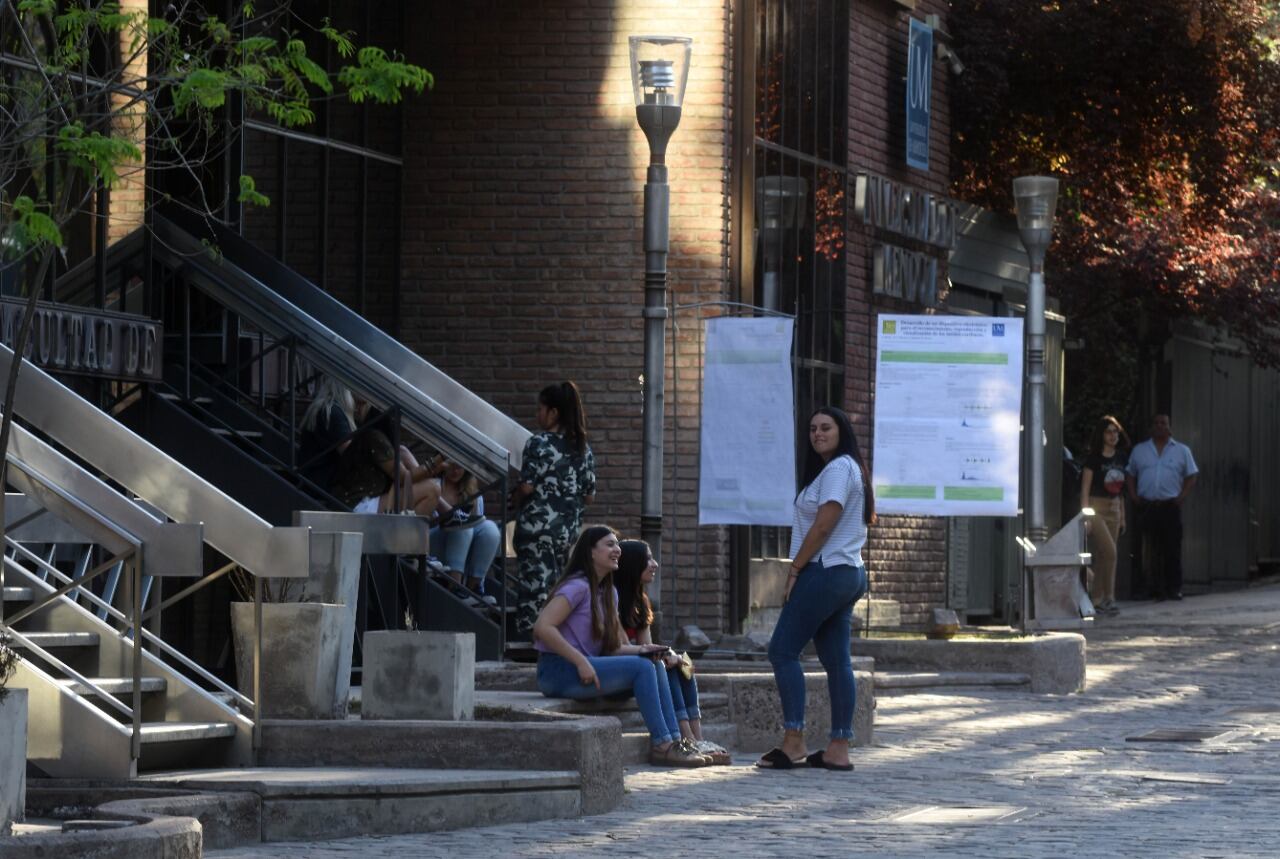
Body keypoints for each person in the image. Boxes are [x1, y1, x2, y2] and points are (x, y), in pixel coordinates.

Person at [532, 526, 711, 767]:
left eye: (617, 544)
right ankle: (662, 745)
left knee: (654, 664)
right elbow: (543, 627)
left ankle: (676, 742)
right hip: (558, 670)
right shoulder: (577, 586)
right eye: (609, 544)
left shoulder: (608, 593)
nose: (617, 549)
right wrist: (581, 661)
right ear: (591, 552)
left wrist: (648, 650)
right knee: (643, 668)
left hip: (590, 667)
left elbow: (614, 648)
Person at [758, 407, 871, 772]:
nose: (818, 433)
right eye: (812, 428)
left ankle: (794, 741)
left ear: (842, 432)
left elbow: (823, 525)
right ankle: (838, 747)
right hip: (849, 572)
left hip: (827, 571)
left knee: (782, 651)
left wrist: (795, 569)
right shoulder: (846, 468)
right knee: (838, 661)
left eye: (826, 427)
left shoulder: (838, 469)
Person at [615, 540, 731, 765]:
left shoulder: (640, 600)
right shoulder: (613, 599)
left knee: (681, 664)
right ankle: (686, 738)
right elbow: (625, 648)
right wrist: (664, 656)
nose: (654, 564)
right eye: (648, 559)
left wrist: (670, 656)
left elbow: (646, 644)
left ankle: (697, 738)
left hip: (643, 665)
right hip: (628, 669)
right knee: (666, 666)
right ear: (632, 564)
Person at [512, 381, 596, 637]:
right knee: (560, 591)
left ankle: (531, 645)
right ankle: (558, 640)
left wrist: (515, 497)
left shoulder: (538, 443)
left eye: (540, 409)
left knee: (533, 593)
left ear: (554, 412)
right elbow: (589, 496)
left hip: (536, 533)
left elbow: (526, 487)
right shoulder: (583, 448)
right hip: (566, 534)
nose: (537, 415)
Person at [1126, 413, 1198, 601]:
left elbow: (1191, 475)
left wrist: (1182, 497)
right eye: (1156, 423)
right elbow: (1130, 474)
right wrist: (1133, 496)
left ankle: (1173, 588)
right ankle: (1149, 588)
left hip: (1170, 506)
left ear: (1169, 427)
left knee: (1172, 549)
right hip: (1147, 506)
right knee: (1147, 549)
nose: (1160, 426)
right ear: (1151, 427)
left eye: (1163, 423)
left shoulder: (1182, 451)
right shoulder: (1139, 451)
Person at [431, 461, 501, 605]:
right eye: (451, 466)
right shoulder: (434, 486)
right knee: (464, 525)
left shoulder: (474, 493)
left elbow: (479, 530)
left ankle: (473, 590)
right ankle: (455, 587)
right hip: (435, 547)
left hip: (464, 548)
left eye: (460, 466)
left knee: (490, 529)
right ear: (443, 464)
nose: (455, 471)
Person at [1080, 415, 1130, 616]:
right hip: (1096, 508)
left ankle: (1097, 599)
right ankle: (1109, 598)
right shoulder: (1093, 458)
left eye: (1116, 431)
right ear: (1101, 434)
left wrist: (1123, 516)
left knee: (1104, 555)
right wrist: (1085, 516)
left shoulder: (1121, 458)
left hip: (1115, 507)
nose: (1113, 435)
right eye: (1109, 431)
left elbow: (1121, 490)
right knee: (1111, 553)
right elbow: (1085, 489)